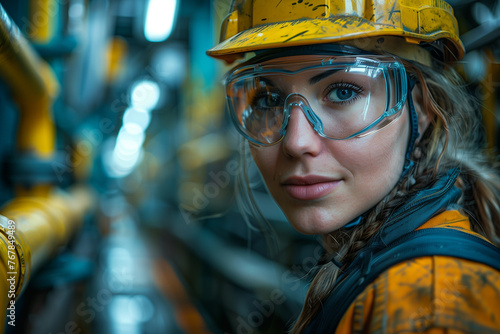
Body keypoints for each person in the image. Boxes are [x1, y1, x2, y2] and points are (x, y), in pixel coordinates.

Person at [207, 0, 500, 333]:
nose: (295, 142)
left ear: (419, 108)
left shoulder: (429, 308)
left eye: (343, 91)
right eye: (268, 100)